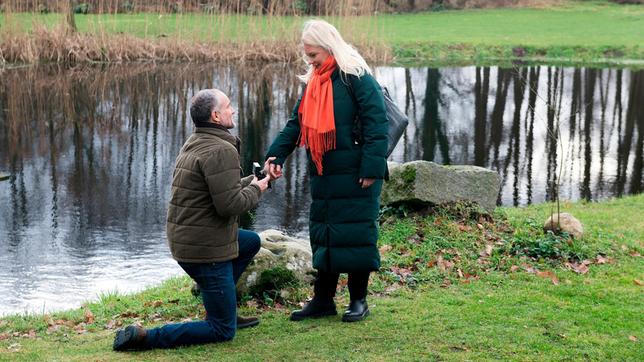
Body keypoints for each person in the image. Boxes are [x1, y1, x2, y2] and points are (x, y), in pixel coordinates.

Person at [113, 89, 275, 351]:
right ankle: (145, 337)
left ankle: (222, 303)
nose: (233, 110)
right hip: (205, 249)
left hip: (189, 241)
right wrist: (257, 190)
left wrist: (257, 180)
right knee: (222, 331)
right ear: (215, 115)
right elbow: (229, 206)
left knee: (249, 241)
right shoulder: (220, 150)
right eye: (228, 106)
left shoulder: (197, 141)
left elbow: (223, 191)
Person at [265, 19, 388, 323]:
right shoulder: (314, 82)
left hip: (357, 171)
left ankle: (359, 300)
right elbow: (297, 123)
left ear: (329, 47)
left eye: (313, 54)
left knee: (357, 234)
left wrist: (372, 167)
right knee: (325, 235)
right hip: (324, 171)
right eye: (307, 54)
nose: (309, 60)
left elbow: (377, 123)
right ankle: (323, 300)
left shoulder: (356, 76)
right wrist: (275, 155)